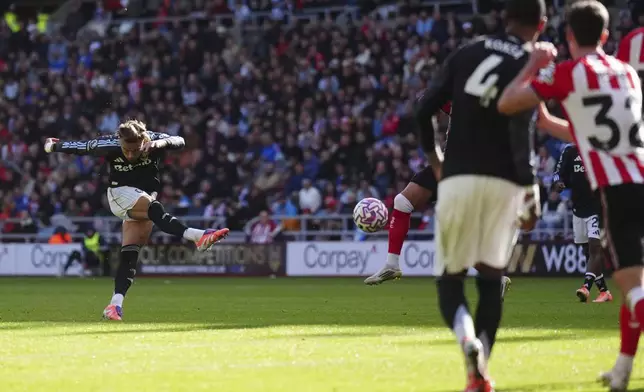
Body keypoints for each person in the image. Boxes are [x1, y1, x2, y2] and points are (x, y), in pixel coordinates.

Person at [497, 2, 644, 390]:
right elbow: (574, 130)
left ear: (568, 37)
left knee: (634, 289)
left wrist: (534, 65)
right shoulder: (627, 72)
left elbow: (508, 101)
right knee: (635, 287)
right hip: (641, 173)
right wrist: (546, 118)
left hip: (620, 192)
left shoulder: (567, 72)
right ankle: (623, 370)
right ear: (606, 36)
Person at [412, 0, 546, 390]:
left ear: (504, 17)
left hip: (457, 178)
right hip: (506, 182)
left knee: (450, 281)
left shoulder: (467, 52)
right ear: (542, 23)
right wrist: (530, 188)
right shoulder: (531, 63)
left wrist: (436, 161)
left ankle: (467, 342)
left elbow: (423, 110)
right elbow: (524, 131)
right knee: (491, 279)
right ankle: (481, 368)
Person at [44, 119, 230, 321]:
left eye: (135, 150)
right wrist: (55, 145)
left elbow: (180, 141)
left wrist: (162, 143)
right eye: (126, 150)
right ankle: (198, 236)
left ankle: (114, 305)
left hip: (142, 199)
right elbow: (82, 147)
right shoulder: (111, 144)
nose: (130, 155)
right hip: (119, 194)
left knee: (130, 253)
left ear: (144, 141)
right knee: (154, 207)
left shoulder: (154, 140)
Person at [552, 143, 612, 303]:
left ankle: (585, 287)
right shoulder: (569, 151)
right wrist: (558, 184)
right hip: (578, 208)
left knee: (594, 248)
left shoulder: (598, 148)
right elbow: (558, 174)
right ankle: (604, 291)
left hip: (597, 207)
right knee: (588, 252)